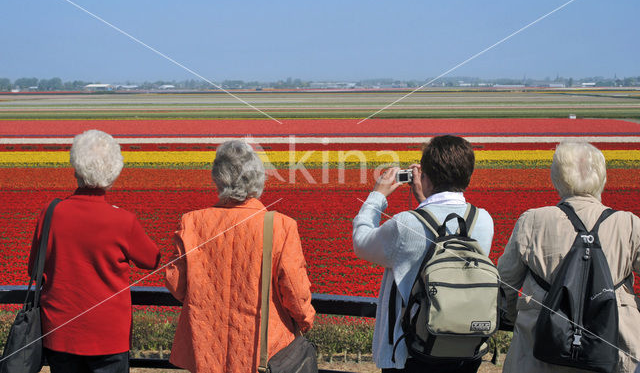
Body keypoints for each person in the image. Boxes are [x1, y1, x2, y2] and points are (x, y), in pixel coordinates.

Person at [165, 139, 315, 373]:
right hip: (264, 351)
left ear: (218, 178)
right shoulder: (280, 226)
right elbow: (295, 293)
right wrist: (306, 321)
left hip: (205, 350)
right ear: (258, 177)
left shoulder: (192, 222)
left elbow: (176, 285)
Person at [352, 135, 494, 372]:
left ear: (426, 176)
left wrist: (377, 196)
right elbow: (442, 230)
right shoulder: (483, 220)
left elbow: (361, 242)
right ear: (468, 175)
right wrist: (425, 199)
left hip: (413, 353)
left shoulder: (405, 224)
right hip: (465, 347)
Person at [498, 141, 640, 372]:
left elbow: (506, 283)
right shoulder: (629, 224)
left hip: (540, 348)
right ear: (603, 178)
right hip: (613, 346)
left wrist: (516, 318)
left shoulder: (533, 220)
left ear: (556, 179)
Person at [28, 129, 161, 373]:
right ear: (113, 173)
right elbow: (152, 259)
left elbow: (33, 270)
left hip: (60, 332)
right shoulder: (122, 220)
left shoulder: (50, 213)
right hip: (108, 337)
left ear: (76, 169)